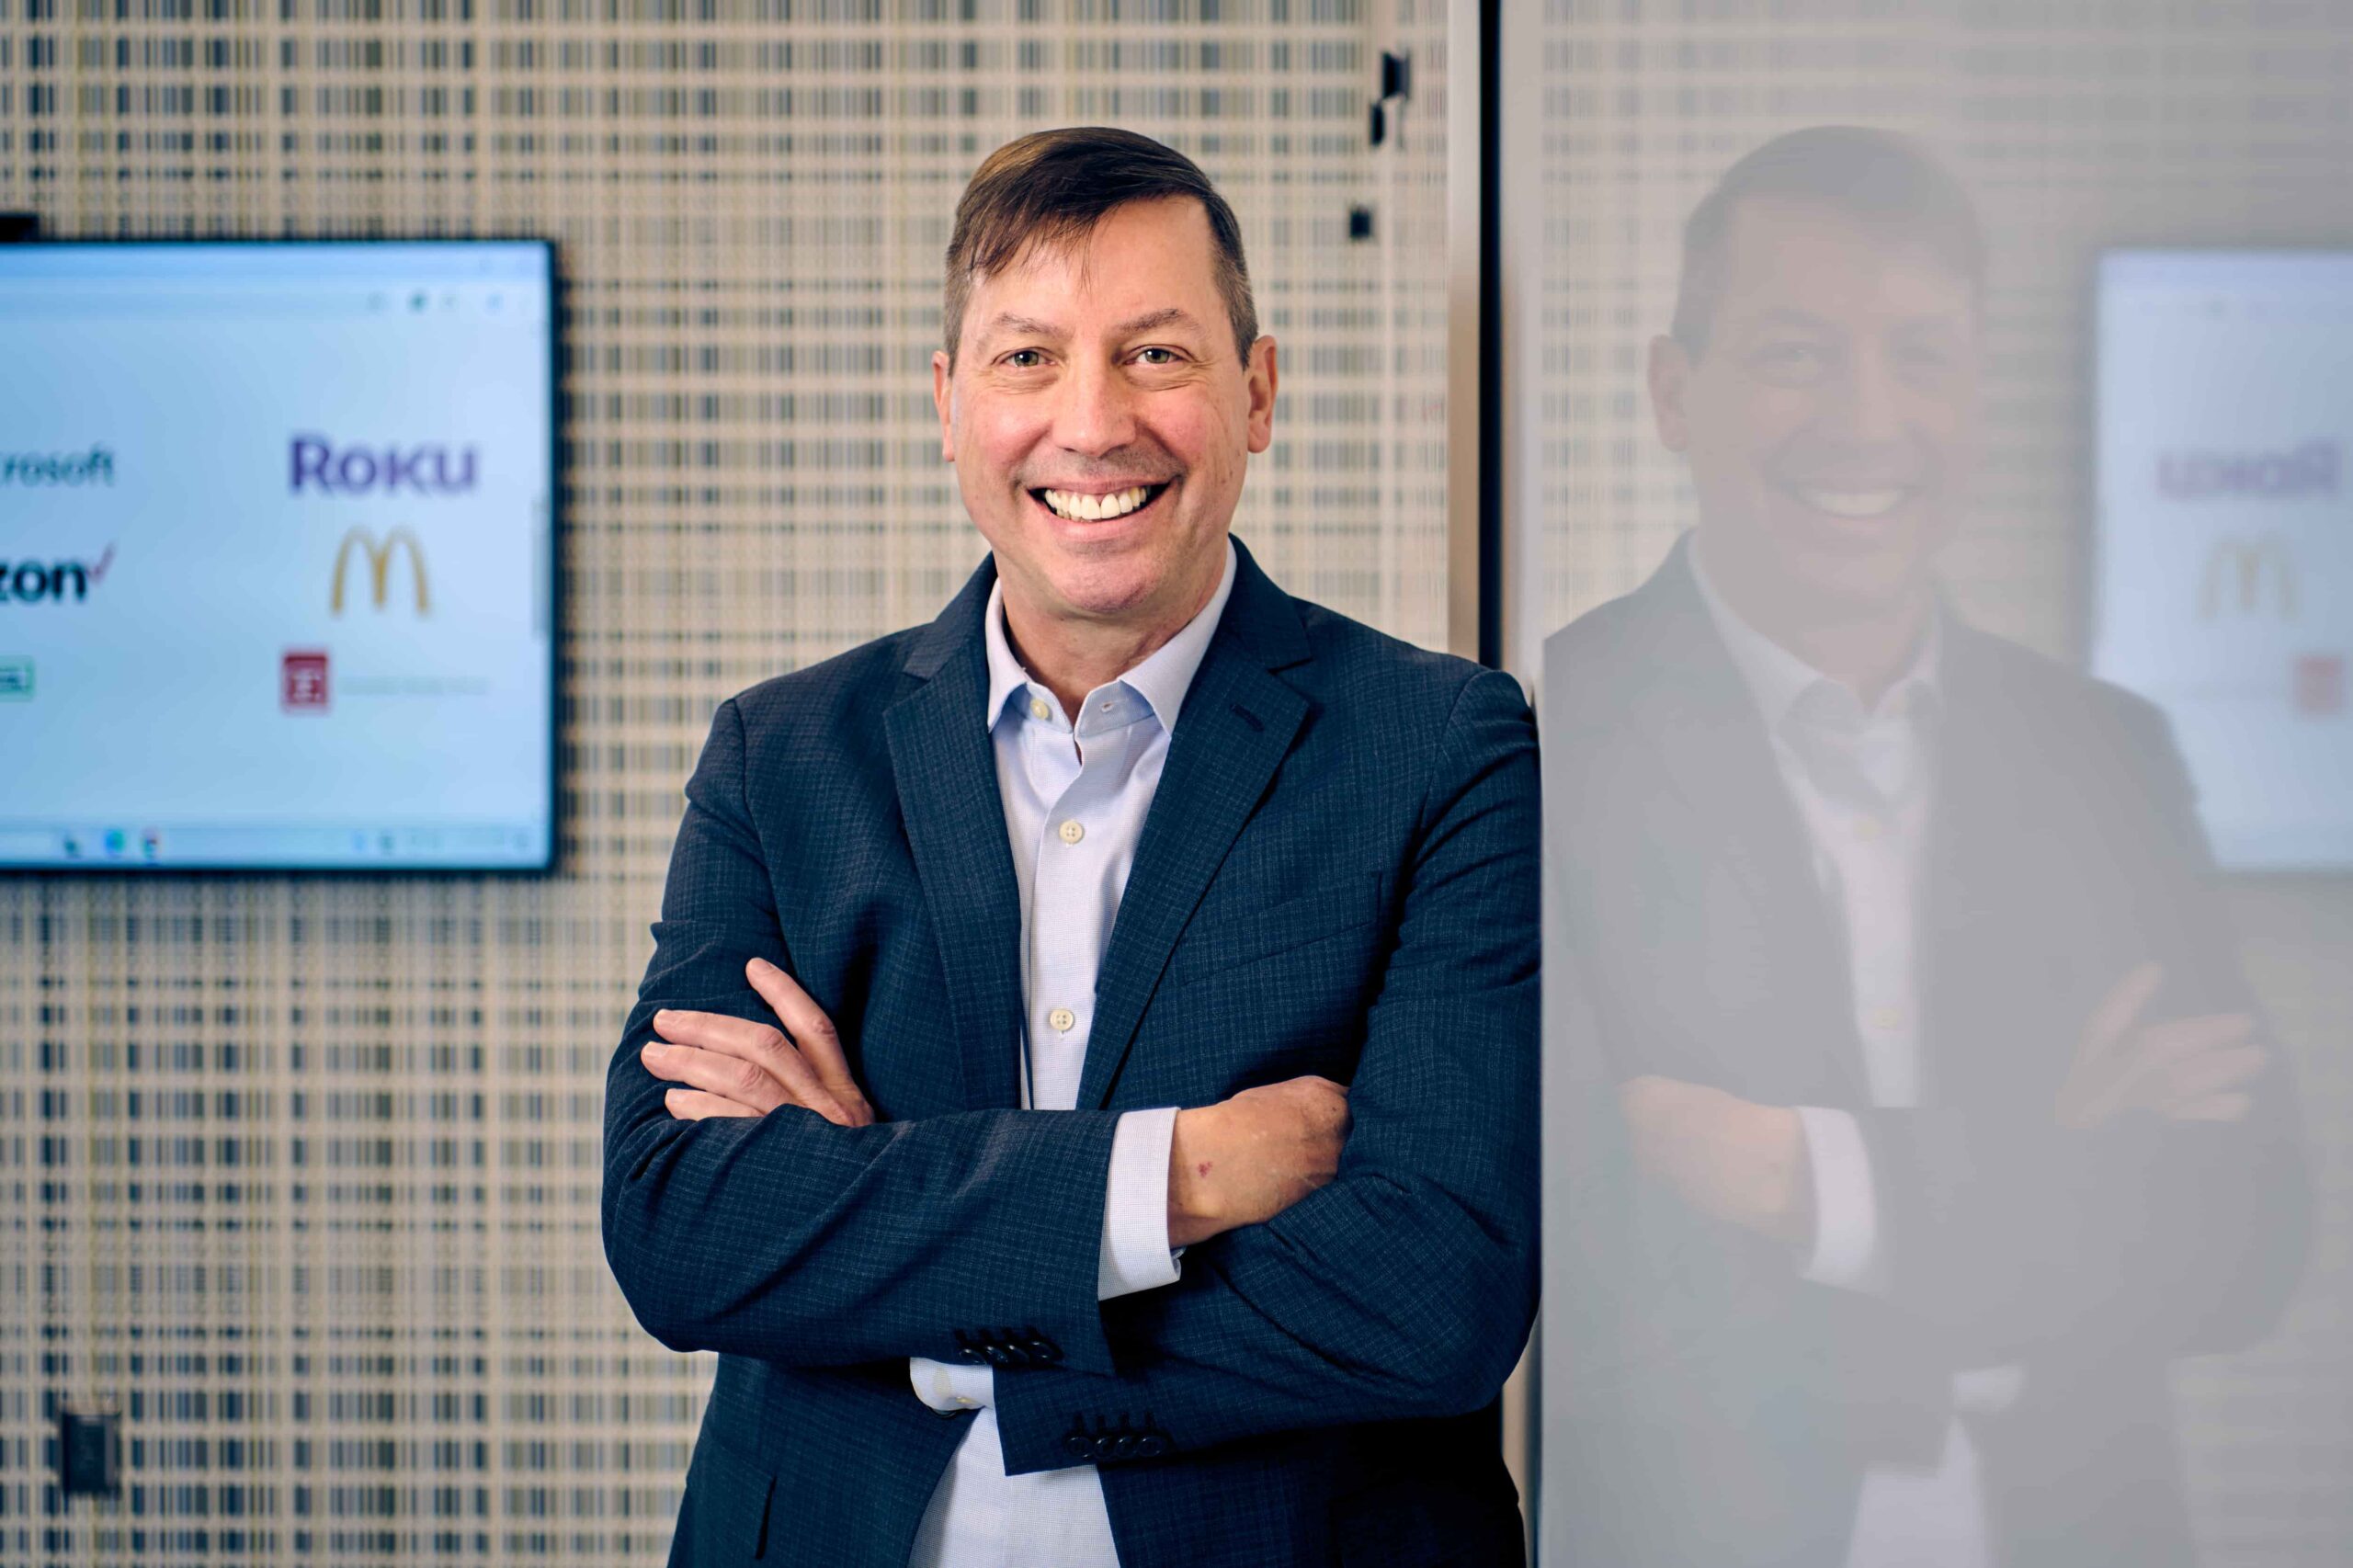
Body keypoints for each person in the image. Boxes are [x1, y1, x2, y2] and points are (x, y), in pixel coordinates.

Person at [602, 127, 1540, 1568]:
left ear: (1259, 391)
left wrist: (933, 1296)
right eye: (1028, 357)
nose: (1091, 422)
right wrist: (1176, 1178)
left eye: (1157, 354)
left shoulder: (1442, 746)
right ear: (949, 401)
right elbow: (681, 1227)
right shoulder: (782, 760)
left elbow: (1432, 1296)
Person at [1540, 126, 2310, 1568]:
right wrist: (2055, 1154)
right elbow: (1600, 1263)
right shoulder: (1546, 736)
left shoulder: (2105, 752)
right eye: (1795, 352)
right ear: (1671, 391)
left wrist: (1813, 1181)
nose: (1867, 416)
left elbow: (2241, 1232)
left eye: (1922, 355)